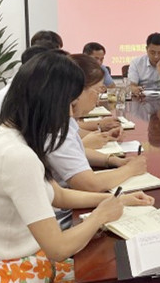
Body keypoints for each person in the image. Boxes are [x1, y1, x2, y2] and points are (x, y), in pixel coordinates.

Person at [0, 51, 154, 283]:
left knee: (108, 280)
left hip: (17, 272)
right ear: (52, 100)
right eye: (70, 105)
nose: (71, 115)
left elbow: (59, 196)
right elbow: (58, 248)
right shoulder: (17, 156)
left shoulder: (10, 134)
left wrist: (116, 200)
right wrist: (100, 216)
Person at [47, 54, 147, 193]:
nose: (98, 100)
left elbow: (75, 151)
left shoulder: (64, 119)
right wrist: (130, 169)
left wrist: (112, 160)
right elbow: (89, 184)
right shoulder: (56, 129)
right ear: (78, 90)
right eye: (98, 90)